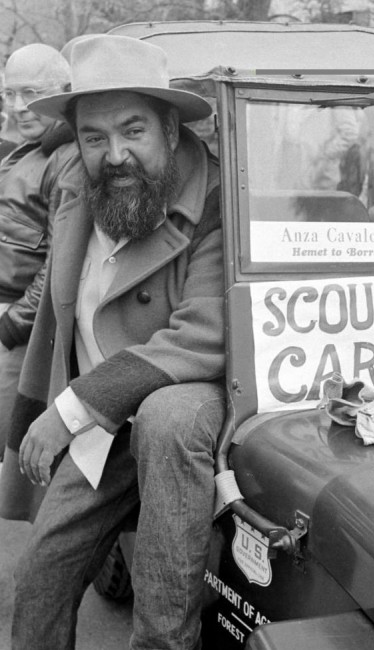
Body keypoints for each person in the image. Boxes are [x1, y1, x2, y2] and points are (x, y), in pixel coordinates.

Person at [3, 34, 225, 650]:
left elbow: (203, 336)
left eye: (133, 131)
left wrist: (72, 408)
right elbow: (54, 320)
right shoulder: (77, 187)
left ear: (170, 131)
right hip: (102, 429)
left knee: (170, 417)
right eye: (95, 137)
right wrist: (39, 411)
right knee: (39, 577)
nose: (116, 154)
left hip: (159, 412)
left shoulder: (212, 200)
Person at [0, 43, 77, 459]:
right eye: (9, 94)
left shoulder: (67, 157)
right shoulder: (28, 149)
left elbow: (60, 261)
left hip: (17, 332)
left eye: (31, 93)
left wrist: (11, 325)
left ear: (64, 92)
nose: (17, 106)